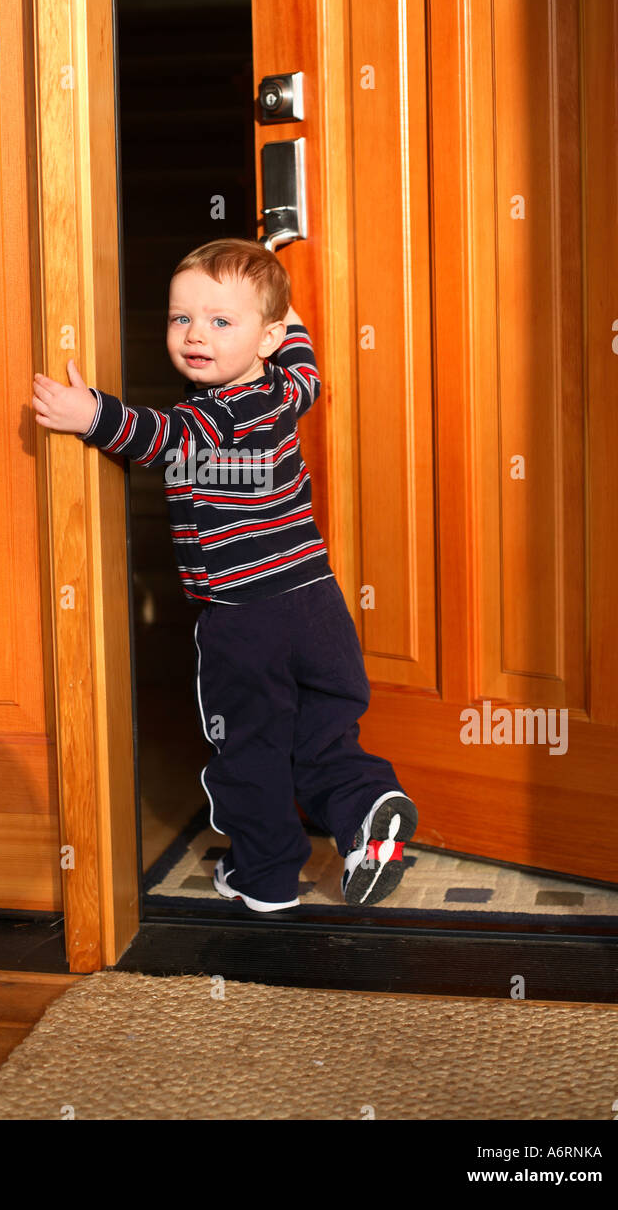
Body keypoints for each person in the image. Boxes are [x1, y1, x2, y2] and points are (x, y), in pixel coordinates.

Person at [32, 237, 417, 912]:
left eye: (219, 321)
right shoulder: (286, 392)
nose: (194, 335)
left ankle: (263, 877)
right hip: (319, 605)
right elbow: (307, 364)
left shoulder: (207, 417)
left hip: (246, 617)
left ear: (261, 338)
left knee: (253, 746)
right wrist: (287, 320)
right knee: (323, 733)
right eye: (182, 318)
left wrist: (88, 414)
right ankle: (366, 811)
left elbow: (154, 436)